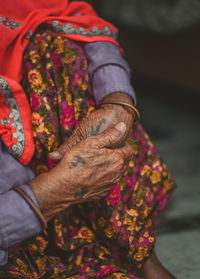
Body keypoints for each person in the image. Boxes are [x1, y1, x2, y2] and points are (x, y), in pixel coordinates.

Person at [0, 1, 176, 278]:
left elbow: (79, 21)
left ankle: (137, 250)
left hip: (43, 137)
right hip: (14, 213)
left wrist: (117, 101)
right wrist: (49, 195)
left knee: (58, 50)